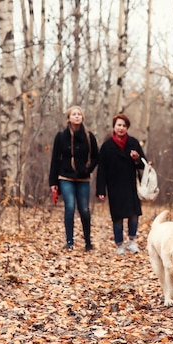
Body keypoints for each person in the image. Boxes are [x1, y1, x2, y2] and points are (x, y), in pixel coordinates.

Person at [49, 106, 99, 251]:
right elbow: (55, 160)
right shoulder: (61, 136)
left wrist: (88, 169)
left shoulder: (89, 137)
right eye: (74, 114)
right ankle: (69, 242)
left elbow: (96, 157)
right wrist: (53, 182)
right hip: (65, 176)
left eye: (79, 114)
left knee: (84, 209)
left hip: (83, 179)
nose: (77, 117)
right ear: (68, 118)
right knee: (69, 207)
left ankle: (88, 242)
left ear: (82, 117)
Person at [97, 113, 148, 255]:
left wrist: (137, 158)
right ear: (114, 126)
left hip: (130, 185)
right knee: (117, 217)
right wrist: (101, 190)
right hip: (114, 186)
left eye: (124, 126)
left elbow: (143, 164)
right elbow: (102, 169)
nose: (121, 128)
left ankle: (132, 241)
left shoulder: (133, 143)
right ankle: (119, 244)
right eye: (118, 125)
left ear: (127, 128)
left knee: (134, 215)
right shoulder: (106, 146)